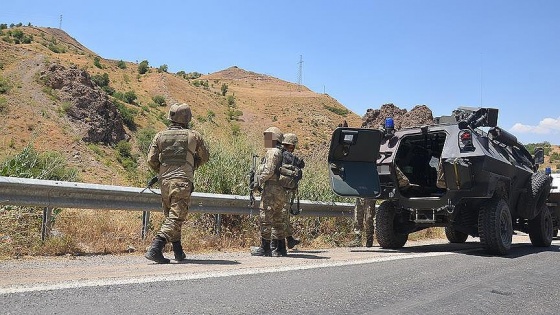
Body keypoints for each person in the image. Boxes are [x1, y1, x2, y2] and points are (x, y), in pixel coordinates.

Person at [145, 103, 209, 264]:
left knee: (171, 216)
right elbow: (205, 156)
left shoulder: (159, 136)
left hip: (164, 182)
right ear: (187, 118)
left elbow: (151, 160)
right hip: (182, 181)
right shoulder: (194, 136)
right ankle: (156, 247)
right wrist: (193, 165)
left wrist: (162, 171)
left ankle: (178, 251)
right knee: (176, 217)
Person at [251, 126, 289, 257]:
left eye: (267, 137)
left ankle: (265, 248)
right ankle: (281, 248)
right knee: (278, 219)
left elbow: (269, 170)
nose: (265, 140)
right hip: (281, 190)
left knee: (265, 217)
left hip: (272, 190)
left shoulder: (273, 152)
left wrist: (258, 181)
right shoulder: (281, 152)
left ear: (273, 138)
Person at [281, 133, 305, 250]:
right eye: (293, 146)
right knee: (283, 215)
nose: (293, 149)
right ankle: (284, 241)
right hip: (283, 191)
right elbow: (301, 163)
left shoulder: (277, 154)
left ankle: (288, 239)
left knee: (283, 215)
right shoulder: (286, 155)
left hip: (279, 189)